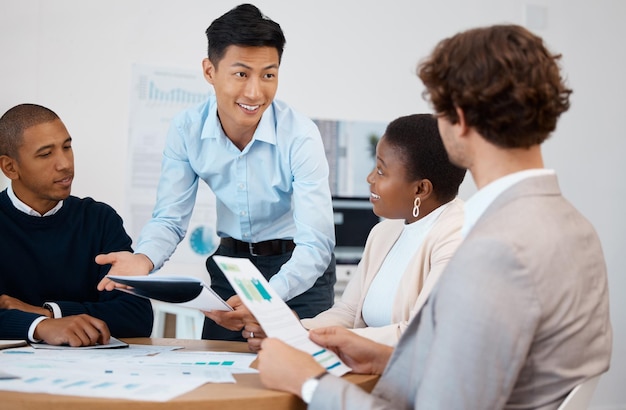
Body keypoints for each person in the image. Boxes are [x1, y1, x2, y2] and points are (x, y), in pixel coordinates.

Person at [255, 24, 612, 409]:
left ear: (458, 119)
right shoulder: (577, 229)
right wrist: (387, 358)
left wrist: (309, 382)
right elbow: (480, 374)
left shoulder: (494, 251)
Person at [96, 3, 336, 342]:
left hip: (298, 268)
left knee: (301, 370)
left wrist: (265, 298)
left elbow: (316, 244)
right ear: (210, 71)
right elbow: (170, 218)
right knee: (218, 366)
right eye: (241, 74)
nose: (255, 92)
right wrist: (143, 260)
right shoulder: (186, 130)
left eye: (269, 74)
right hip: (233, 266)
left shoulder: (300, 135)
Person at [244, 114, 465, 350]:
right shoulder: (384, 232)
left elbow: (418, 334)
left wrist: (315, 339)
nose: (370, 178)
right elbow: (349, 311)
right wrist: (297, 332)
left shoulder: (458, 238)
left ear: (420, 189)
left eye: (381, 171)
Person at [0, 103, 153, 346]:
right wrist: (41, 327)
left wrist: (50, 313)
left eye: (67, 147)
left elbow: (136, 316)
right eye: (46, 154)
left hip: (92, 373)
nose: (65, 164)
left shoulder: (100, 219)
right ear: (10, 167)